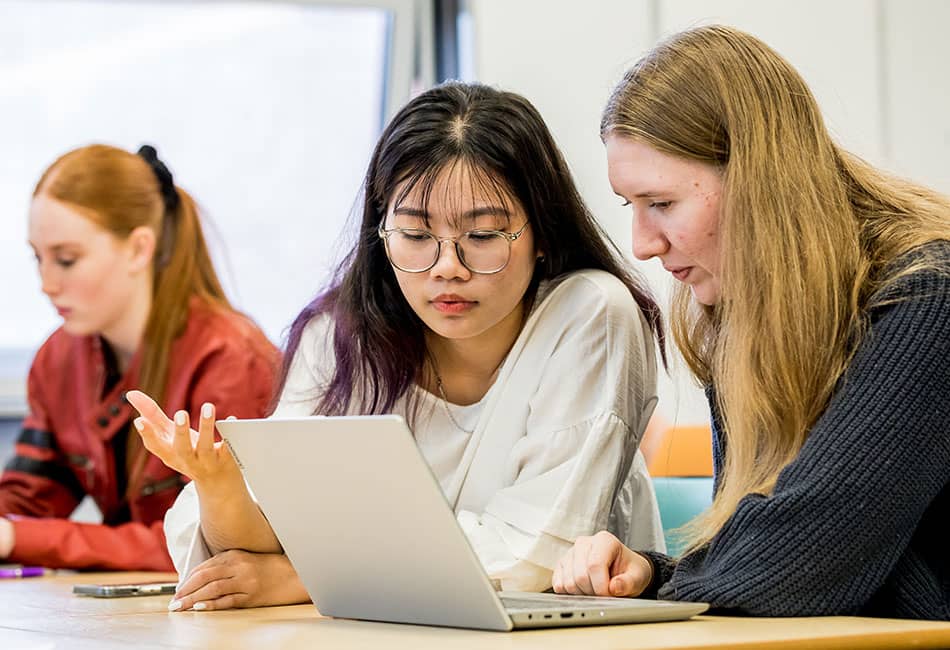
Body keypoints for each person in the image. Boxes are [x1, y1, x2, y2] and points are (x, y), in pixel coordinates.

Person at [129, 81, 667, 611]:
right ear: (381, 233)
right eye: (414, 235)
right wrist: (219, 485)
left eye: (482, 237)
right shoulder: (341, 333)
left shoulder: (592, 312)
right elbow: (242, 555)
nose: (446, 268)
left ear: (543, 232)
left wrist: (306, 578)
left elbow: (536, 552)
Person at [552, 25, 950, 620]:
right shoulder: (742, 313)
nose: (641, 244)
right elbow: (757, 544)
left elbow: (794, 565)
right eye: (630, 206)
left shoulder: (929, 298)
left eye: (661, 204)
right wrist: (652, 574)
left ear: (759, 180)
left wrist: (674, 584)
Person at [0, 144, 279, 570]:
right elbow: (26, 502)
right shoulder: (56, 359)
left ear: (138, 249)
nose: (46, 283)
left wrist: (18, 537)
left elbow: (209, 543)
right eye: (37, 258)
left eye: (66, 259)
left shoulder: (230, 359)